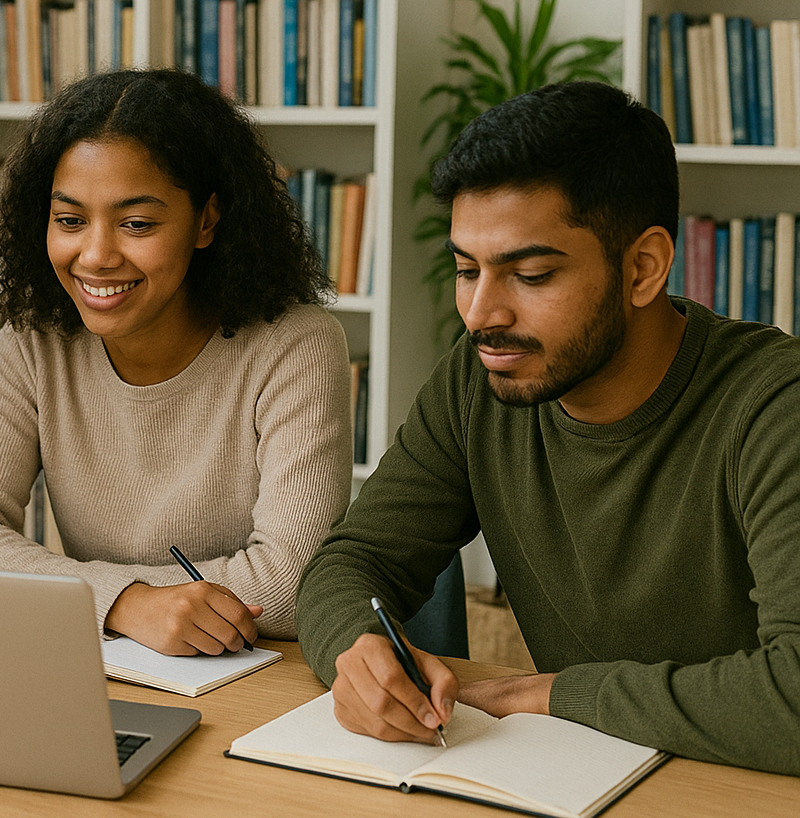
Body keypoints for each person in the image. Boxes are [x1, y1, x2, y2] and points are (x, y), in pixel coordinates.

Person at [295, 81, 800, 776]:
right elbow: (352, 561)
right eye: (465, 270)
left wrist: (550, 694)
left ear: (644, 268)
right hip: (570, 777)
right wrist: (357, 653)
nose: (481, 314)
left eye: (530, 275)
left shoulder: (775, 406)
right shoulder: (478, 377)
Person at [0, 68, 352, 655]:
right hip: (100, 665)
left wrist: (88, 595)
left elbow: (291, 584)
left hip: (246, 676)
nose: (96, 256)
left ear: (206, 220)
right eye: (70, 220)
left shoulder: (295, 346)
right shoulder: (33, 343)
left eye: (137, 224)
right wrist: (125, 602)